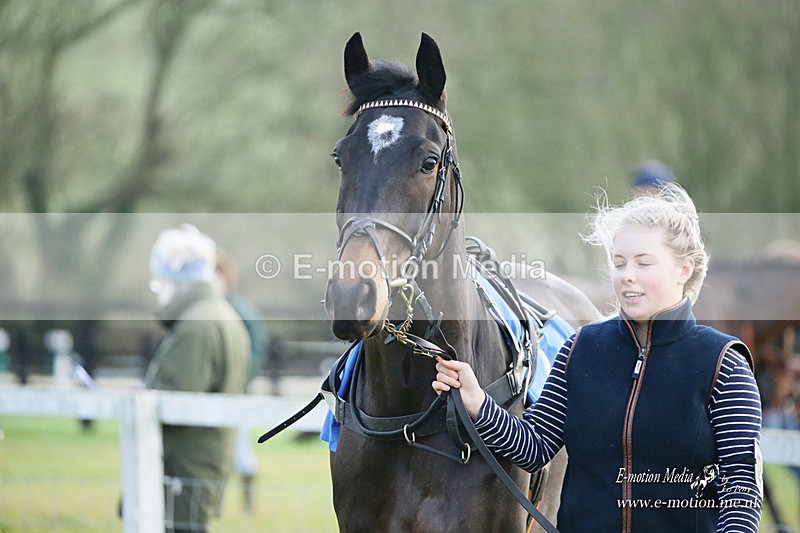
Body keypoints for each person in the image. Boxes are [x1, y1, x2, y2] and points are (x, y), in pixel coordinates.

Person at [433, 184, 763, 532]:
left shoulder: (723, 364)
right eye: (619, 262)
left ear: (684, 269)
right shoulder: (580, 349)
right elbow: (534, 448)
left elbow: (741, 492)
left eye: (643, 262)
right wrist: (478, 403)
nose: (627, 275)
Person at [145, 224, 250, 533]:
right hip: (202, 464)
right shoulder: (220, 314)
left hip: (183, 467)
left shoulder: (197, 324)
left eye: (159, 277)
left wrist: (141, 398)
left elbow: (172, 398)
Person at [214, 250, 269, 515]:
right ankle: (217, 503)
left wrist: (239, 378)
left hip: (238, 392)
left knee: (240, 449)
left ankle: (247, 505)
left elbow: (257, 346)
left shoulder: (241, 309)